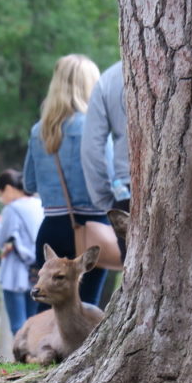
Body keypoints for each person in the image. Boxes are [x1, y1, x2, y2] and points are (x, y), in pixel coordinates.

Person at [22, 54, 109, 309]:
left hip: (51, 227)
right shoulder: (95, 126)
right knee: (87, 306)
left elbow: (29, 184)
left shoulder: (40, 130)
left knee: (45, 306)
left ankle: (37, 349)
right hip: (92, 228)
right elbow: (110, 179)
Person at [0, 169, 44, 334]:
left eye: (0, 195)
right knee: (33, 322)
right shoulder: (39, 203)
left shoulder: (12, 209)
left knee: (18, 326)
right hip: (36, 271)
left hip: (15, 273)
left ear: (8, 188)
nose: (2, 200)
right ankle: (34, 357)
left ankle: (23, 357)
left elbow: (2, 240)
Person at [81, 60, 130, 260]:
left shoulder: (109, 79)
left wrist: (105, 200)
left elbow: (91, 147)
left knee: (138, 273)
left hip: (130, 193)